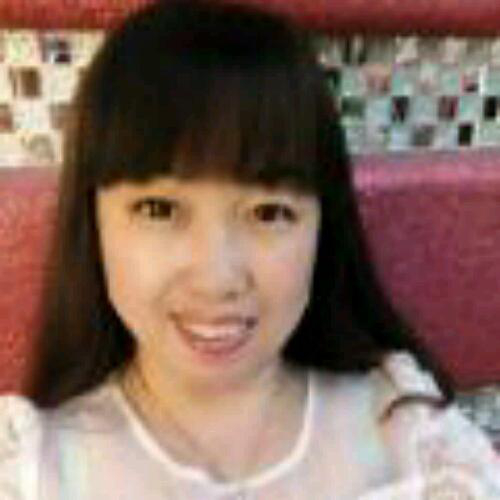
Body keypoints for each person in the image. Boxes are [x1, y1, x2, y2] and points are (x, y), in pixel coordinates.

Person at [1, 0, 499, 498]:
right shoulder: (34, 472)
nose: (216, 279)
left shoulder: (413, 442)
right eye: (158, 209)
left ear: (323, 227)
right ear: (93, 221)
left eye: (269, 213)